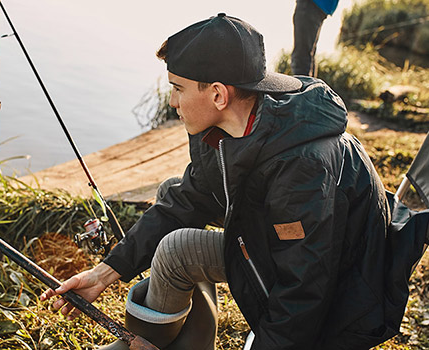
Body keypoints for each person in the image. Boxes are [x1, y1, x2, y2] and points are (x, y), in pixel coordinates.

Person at [41, 13, 396, 349]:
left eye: (178, 89)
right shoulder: (223, 129)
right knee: (169, 192)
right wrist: (103, 275)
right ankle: (184, 342)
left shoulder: (301, 166)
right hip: (288, 250)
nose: (172, 101)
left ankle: (151, 340)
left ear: (217, 94)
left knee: (177, 250)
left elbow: (306, 287)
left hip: (343, 295)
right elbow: (186, 201)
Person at [291, 0, 339, 76]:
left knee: (301, 54)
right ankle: (310, 86)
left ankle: (302, 86)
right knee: (307, 53)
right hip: (320, 5)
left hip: (311, 4)